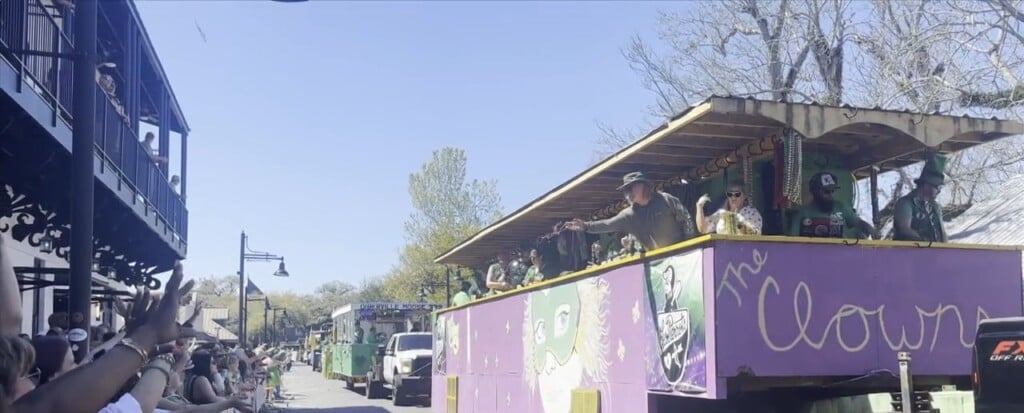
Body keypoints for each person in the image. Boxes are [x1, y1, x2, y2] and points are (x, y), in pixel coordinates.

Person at [565, 171, 696, 251]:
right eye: (625, 190)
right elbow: (608, 224)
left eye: (630, 188)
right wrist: (585, 226)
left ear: (643, 185)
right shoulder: (628, 215)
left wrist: (690, 246)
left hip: (683, 256)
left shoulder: (665, 199)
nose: (627, 193)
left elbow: (687, 219)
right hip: (657, 263)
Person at [788, 172, 879, 239]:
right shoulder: (803, 213)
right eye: (826, 191)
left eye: (832, 191)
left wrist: (869, 228)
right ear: (814, 191)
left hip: (843, 255)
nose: (830, 195)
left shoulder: (840, 207)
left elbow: (858, 222)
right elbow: (792, 241)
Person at [893, 154, 948, 242]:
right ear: (926, 185)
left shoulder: (935, 207)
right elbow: (904, 229)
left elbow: (943, 233)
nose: (939, 191)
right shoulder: (905, 203)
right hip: (909, 253)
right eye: (937, 187)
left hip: (935, 254)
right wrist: (925, 243)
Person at [695, 180, 764, 235]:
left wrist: (738, 222)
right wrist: (699, 207)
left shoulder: (751, 212)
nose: (733, 197)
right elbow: (703, 229)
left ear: (745, 196)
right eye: (730, 194)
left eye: (737, 194)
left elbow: (755, 234)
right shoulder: (721, 213)